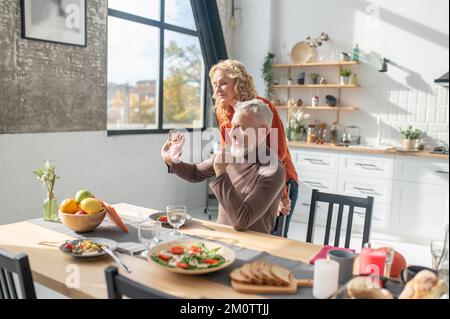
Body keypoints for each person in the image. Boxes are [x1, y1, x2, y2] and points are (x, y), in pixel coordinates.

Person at [161, 99, 286, 234]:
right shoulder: (230, 151)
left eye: (241, 128)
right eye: (233, 126)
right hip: (221, 236)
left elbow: (242, 220)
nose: (232, 133)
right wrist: (172, 160)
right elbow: (195, 173)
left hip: (252, 245)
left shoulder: (273, 169)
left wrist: (221, 172)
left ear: (263, 131)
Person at [209, 59, 299, 237]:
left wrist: (281, 195)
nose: (217, 89)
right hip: (246, 178)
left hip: (278, 180)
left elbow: (277, 153)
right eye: (214, 84)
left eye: (224, 83)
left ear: (239, 83)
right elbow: (229, 152)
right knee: (240, 233)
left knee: (271, 239)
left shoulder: (262, 108)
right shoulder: (223, 112)